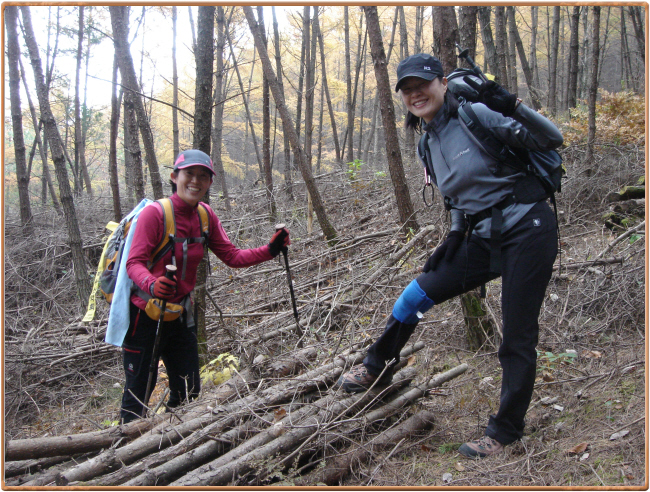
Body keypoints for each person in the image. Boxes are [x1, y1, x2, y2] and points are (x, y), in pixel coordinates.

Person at [336, 54, 563, 459]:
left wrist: (512, 106)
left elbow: (552, 139)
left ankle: (506, 431)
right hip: (483, 237)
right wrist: (455, 235)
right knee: (415, 296)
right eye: (406, 89)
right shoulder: (427, 143)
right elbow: (456, 197)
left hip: (528, 227)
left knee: (517, 335)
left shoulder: (476, 115)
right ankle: (377, 365)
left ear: (442, 82)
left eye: (421, 83)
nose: (414, 93)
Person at [120, 149, 290, 423]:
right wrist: (152, 284)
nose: (195, 181)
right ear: (175, 177)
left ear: (210, 182)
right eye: (189, 174)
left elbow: (232, 257)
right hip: (144, 316)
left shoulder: (205, 216)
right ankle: (123, 456)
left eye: (203, 176)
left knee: (188, 390)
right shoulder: (155, 214)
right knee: (137, 395)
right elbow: (134, 263)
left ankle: (169, 445)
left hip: (180, 315)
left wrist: (270, 250)